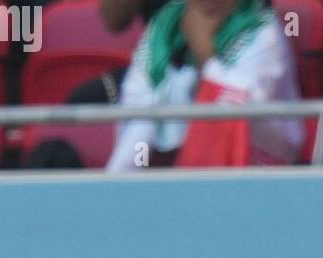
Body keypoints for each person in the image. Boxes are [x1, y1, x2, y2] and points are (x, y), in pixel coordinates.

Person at [106, 0, 302, 170]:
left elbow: (235, 119)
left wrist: (205, 55)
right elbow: (136, 110)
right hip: (167, 180)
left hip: (251, 181)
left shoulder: (263, 33)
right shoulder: (163, 28)